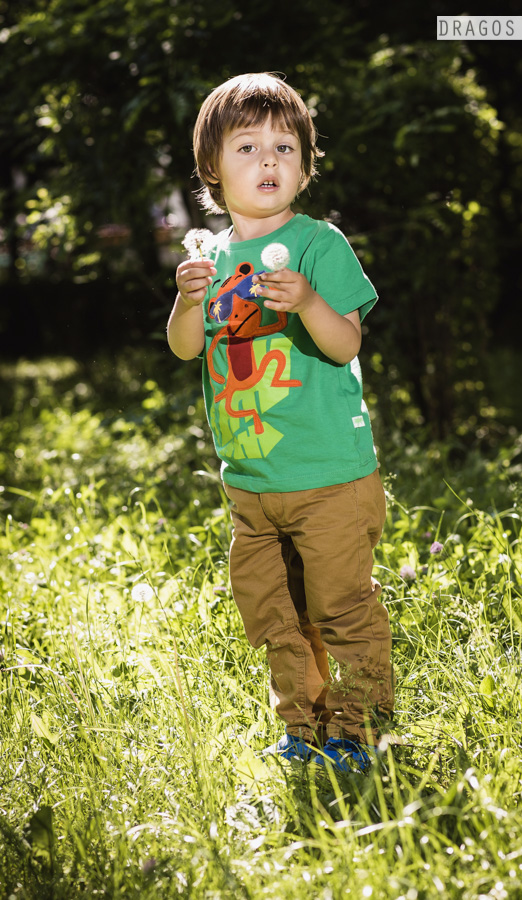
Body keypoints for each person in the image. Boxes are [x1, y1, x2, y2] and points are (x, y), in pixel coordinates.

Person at [167, 72, 394, 772]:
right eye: (246, 146)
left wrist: (305, 303)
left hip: (328, 474)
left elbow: (345, 343)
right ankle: (302, 727)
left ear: (303, 164)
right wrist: (182, 301)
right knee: (275, 614)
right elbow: (186, 346)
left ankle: (356, 734)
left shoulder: (318, 246)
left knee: (341, 610)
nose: (268, 160)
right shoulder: (209, 257)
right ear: (212, 168)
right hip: (252, 481)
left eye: (284, 147)